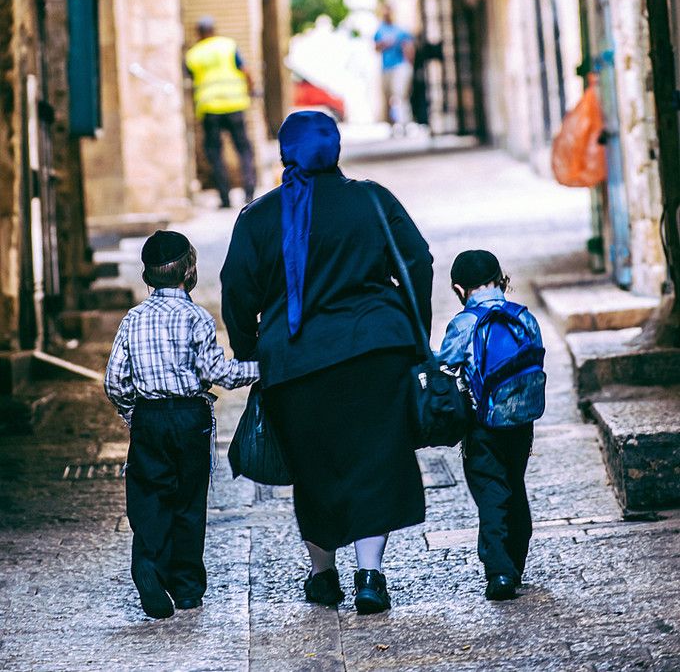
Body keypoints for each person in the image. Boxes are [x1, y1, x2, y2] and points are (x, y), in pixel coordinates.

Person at [220, 110, 433, 613]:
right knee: (374, 460)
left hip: (296, 367)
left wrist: (250, 347)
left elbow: (236, 289)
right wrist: (411, 326)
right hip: (374, 353)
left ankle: (323, 576)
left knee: (315, 468)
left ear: (284, 152)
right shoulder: (371, 199)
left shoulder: (257, 218)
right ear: (334, 148)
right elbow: (418, 260)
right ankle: (371, 576)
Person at [104, 230, 259, 619]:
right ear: (190, 271)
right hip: (191, 417)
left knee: (151, 495)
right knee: (189, 501)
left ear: (146, 277)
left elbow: (114, 381)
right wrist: (263, 367)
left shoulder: (133, 319)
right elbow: (216, 371)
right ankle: (187, 589)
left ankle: (148, 565)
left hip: (149, 418)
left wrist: (132, 414)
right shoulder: (197, 317)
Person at [437, 249, 540, 601]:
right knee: (515, 483)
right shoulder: (523, 317)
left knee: (492, 494)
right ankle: (516, 563)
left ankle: (499, 573)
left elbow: (446, 367)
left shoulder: (464, 323)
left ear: (458, 288)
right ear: (500, 278)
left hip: (482, 426)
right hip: (522, 422)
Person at [185, 16, 257, 208]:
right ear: (214, 30)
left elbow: (189, 81)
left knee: (215, 153)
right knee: (244, 149)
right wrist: (251, 89)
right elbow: (246, 71)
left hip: (210, 110)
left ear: (198, 33)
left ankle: (224, 198)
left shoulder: (194, 54)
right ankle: (249, 193)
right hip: (235, 105)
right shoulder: (228, 46)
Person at [374, 4, 415, 131]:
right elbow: (376, 47)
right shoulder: (380, 30)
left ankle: (405, 123)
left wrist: (409, 65)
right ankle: (391, 125)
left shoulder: (400, 30)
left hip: (400, 66)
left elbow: (409, 47)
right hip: (386, 68)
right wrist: (385, 44)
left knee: (400, 94)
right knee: (387, 97)